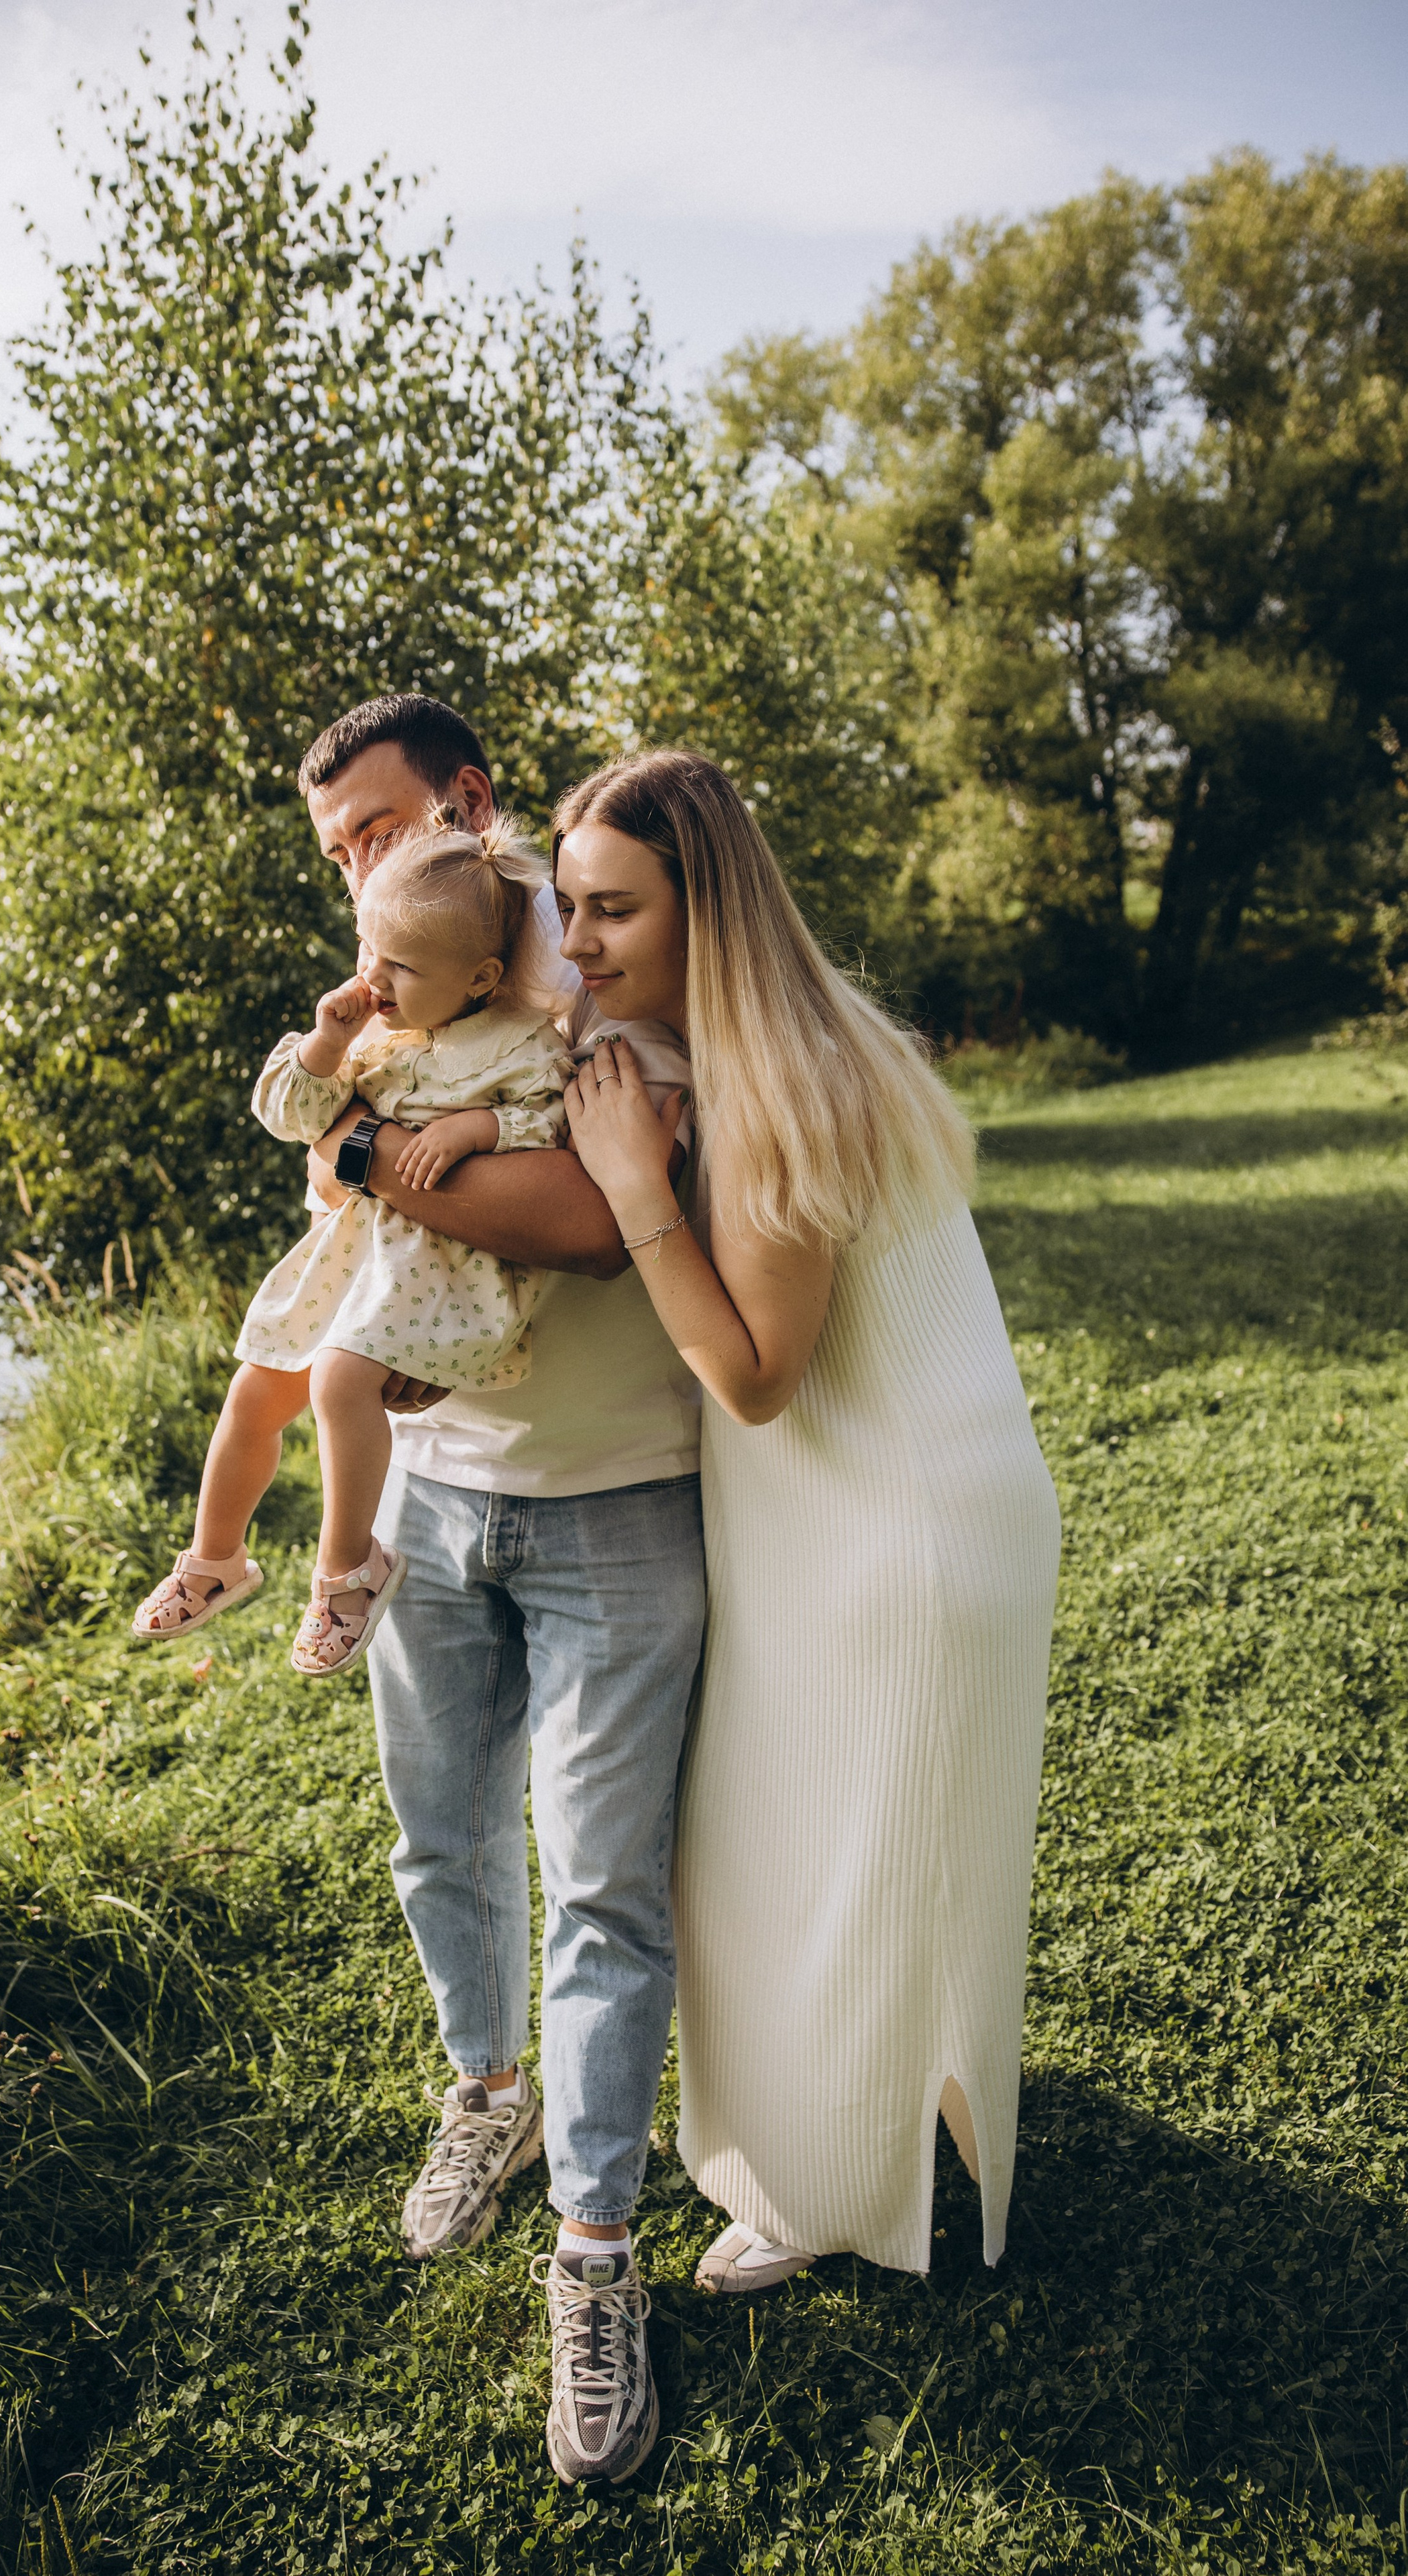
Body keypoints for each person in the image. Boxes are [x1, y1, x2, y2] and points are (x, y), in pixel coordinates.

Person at [553, 748, 1061, 2292]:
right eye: (564, 906)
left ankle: (822, 2185)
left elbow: (758, 1379)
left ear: (704, 907)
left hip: (881, 1541)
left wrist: (632, 1183)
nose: (576, 944)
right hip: (919, 1510)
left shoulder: (774, 1089)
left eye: (611, 911)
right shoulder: (807, 1032)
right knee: (873, 1850)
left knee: (826, 1860)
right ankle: (910, 2117)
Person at [295, 698, 706, 2485]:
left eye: (379, 830)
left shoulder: (616, 938)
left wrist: (382, 1158)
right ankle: (489, 2097)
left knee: (604, 1888)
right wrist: (366, 1135)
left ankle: (598, 2262)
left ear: (467, 802)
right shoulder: (411, 976)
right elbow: (329, 1172)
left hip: (619, 1506)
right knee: (437, 1837)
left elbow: (580, 1220)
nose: (363, 875)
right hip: (441, 1504)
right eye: (339, 859)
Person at [129, 817, 572, 1675]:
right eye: (368, 947)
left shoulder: (519, 1042)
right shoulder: (372, 1033)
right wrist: (329, 1041)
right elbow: (289, 1117)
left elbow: (550, 1127)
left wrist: (480, 1125)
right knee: (257, 1385)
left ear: (479, 978)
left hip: (448, 1269)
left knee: (337, 1377)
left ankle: (347, 1572)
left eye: (400, 965)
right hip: (358, 1258)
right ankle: (216, 1559)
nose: (373, 976)